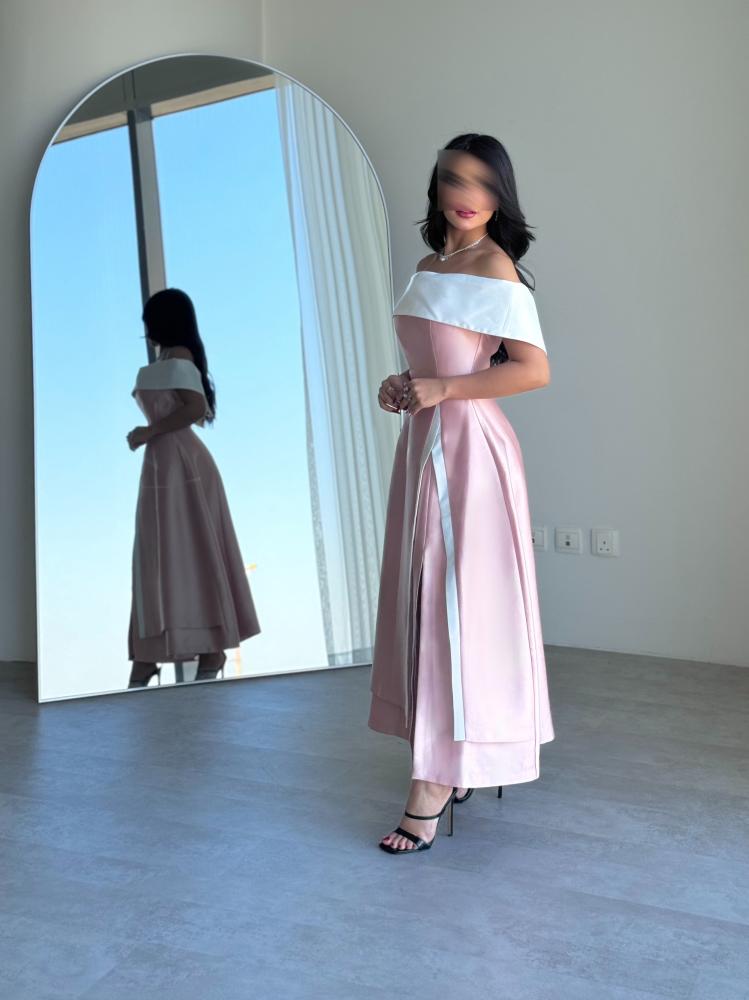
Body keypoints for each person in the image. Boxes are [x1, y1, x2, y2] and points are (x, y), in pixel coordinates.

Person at [369, 133, 555, 854]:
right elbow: (433, 360)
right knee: (427, 598)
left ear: (499, 194)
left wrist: (444, 387)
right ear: (438, 185)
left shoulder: (494, 265)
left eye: (482, 183)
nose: (467, 195)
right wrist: (405, 385)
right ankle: (452, 757)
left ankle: (437, 781)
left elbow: (532, 370)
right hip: (423, 443)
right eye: (454, 179)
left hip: (471, 451)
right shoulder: (429, 266)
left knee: (460, 605)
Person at [126, 288, 260, 688]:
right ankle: (151, 654)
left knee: (186, 553)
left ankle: (201, 650)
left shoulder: (180, 359)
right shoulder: (171, 360)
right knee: (159, 555)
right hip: (163, 465)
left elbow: (195, 407)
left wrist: (148, 431)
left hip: (182, 465)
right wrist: (150, 434)